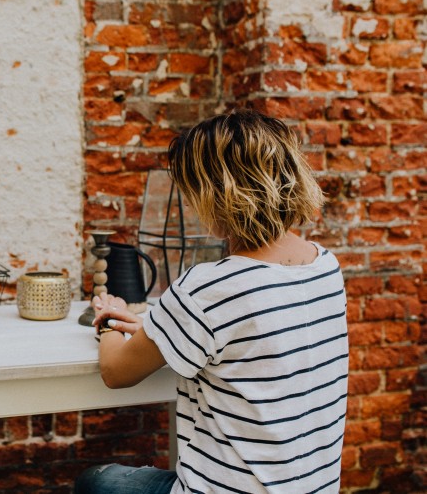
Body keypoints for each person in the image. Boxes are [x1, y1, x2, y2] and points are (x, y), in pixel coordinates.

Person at [75, 110, 348, 494]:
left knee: (96, 482)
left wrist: (105, 320)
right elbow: (254, 340)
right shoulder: (325, 265)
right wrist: (156, 328)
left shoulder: (211, 286)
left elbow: (116, 373)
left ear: (217, 195)